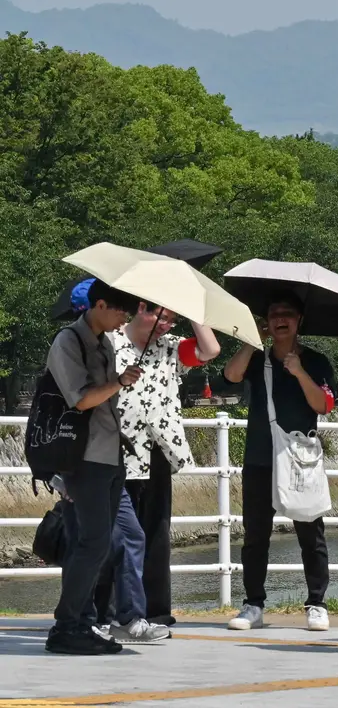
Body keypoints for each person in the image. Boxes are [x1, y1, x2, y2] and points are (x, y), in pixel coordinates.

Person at [91, 300, 221, 642]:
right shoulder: (110, 341)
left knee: (155, 531)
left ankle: (153, 608)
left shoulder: (172, 347)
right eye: (161, 316)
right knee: (115, 535)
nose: (165, 325)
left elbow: (210, 350)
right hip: (118, 448)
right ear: (142, 308)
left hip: (159, 449)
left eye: (172, 319)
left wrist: (194, 312)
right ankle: (104, 610)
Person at [223, 290, 337, 632]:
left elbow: (322, 405)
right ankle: (253, 604)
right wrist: (250, 341)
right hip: (260, 457)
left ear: (300, 320)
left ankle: (316, 602)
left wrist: (300, 372)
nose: (280, 320)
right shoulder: (257, 359)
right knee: (255, 534)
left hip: (299, 459)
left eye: (287, 314)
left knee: (310, 533)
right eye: (274, 315)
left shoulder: (316, 362)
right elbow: (230, 375)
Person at [44, 280, 143, 655]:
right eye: (121, 310)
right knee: (93, 542)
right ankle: (68, 626)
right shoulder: (68, 341)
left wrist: (120, 381)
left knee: (97, 544)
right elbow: (82, 400)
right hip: (83, 458)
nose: (125, 318)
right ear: (99, 304)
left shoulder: (102, 342)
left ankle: (79, 622)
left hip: (108, 454)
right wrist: (118, 382)